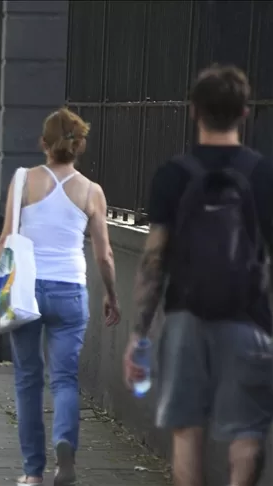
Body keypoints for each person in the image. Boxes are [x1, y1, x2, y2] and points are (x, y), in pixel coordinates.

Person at [124, 65, 272, 486]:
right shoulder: (263, 175)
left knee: (186, 432)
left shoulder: (173, 175)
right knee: (247, 432)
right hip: (250, 320)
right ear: (245, 113)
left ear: (194, 112)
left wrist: (139, 334)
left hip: (186, 319)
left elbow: (153, 259)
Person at [0, 108, 120, 486]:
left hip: (27, 290)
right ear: (80, 145)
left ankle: (33, 473)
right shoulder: (92, 191)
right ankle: (65, 443)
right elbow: (104, 254)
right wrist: (112, 295)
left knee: (28, 380)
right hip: (70, 291)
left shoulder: (23, 180)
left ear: (43, 144)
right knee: (64, 379)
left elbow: (5, 238)